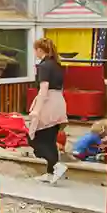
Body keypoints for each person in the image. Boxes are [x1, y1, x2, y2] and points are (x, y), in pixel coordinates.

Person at [28, 37, 69, 184]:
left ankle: (57, 166)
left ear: (40, 50)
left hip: (48, 103)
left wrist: (37, 111)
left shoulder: (44, 66)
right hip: (59, 101)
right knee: (50, 139)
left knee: (34, 138)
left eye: (35, 50)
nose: (35, 52)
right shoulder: (58, 65)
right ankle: (50, 173)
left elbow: (43, 89)